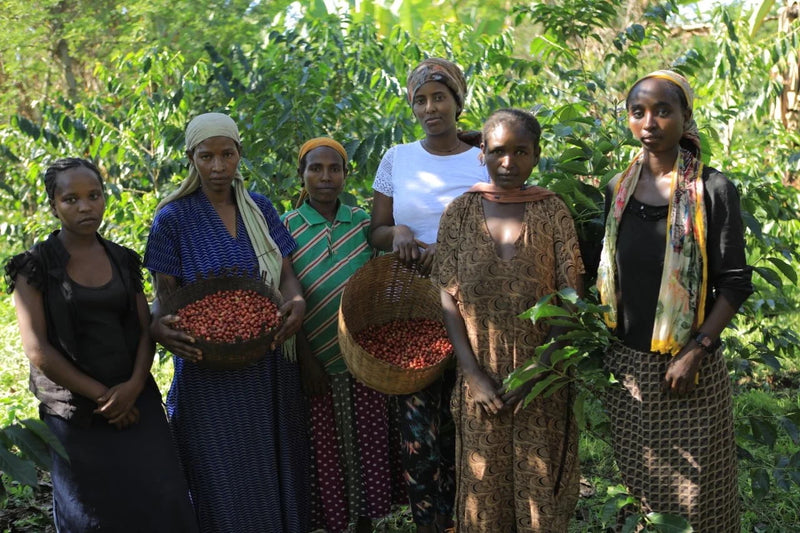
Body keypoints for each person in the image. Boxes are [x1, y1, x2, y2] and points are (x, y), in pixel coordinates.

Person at [4, 158, 198, 532]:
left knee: (164, 499)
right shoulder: (34, 267)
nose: (85, 207)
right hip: (74, 411)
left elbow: (144, 329)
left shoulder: (122, 259)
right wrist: (106, 398)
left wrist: (133, 388)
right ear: (53, 205)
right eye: (71, 199)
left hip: (136, 402)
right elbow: (38, 350)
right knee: (92, 513)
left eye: (93, 196)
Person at [596, 70, 753, 531]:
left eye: (663, 110)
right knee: (639, 487)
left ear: (685, 117)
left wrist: (696, 350)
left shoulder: (712, 190)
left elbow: (735, 283)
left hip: (688, 369)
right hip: (627, 367)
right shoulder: (617, 189)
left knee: (698, 494)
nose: (650, 122)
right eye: (638, 112)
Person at [144, 113, 310, 532]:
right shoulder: (173, 219)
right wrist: (160, 327)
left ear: (239, 154)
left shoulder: (260, 208)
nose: (218, 166)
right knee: (218, 465)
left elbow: (286, 274)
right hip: (207, 369)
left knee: (269, 459)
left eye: (227, 154)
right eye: (206, 156)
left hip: (266, 361)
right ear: (191, 159)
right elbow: (165, 298)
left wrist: (295, 301)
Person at [436, 109, 583, 532]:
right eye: (499, 150)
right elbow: (446, 295)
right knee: (483, 496)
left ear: (536, 154)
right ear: (482, 152)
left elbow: (571, 297)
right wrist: (472, 375)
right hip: (480, 384)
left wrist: (539, 369)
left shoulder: (552, 212)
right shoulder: (459, 213)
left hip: (542, 383)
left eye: (521, 151)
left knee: (540, 496)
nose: (508, 162)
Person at [369, 57, 489, 533]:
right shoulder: (397, 158)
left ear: (458, 102)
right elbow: (376, 230)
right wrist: (397, 232)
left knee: (467, 424)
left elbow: (500, 224)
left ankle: (470, 518)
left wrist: (452, 246)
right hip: (414, 309)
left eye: (439, 97)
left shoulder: (483, 158)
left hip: (475, 307)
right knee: (418, 432)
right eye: (420, 100)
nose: (429, 108)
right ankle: (430, 523)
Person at [282, 137, 401, 533]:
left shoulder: (363, 223)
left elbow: (379, 285)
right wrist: (306, 360)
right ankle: (334, 525)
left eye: (334, 169)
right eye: (315, 168)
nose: (325, 177)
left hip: (361, 361)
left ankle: (365, 524)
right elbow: (283, 294)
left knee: (367, 448)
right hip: (315, 361)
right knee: (326, 453)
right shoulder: (285, 227)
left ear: (346, 175)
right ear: (301, 175)